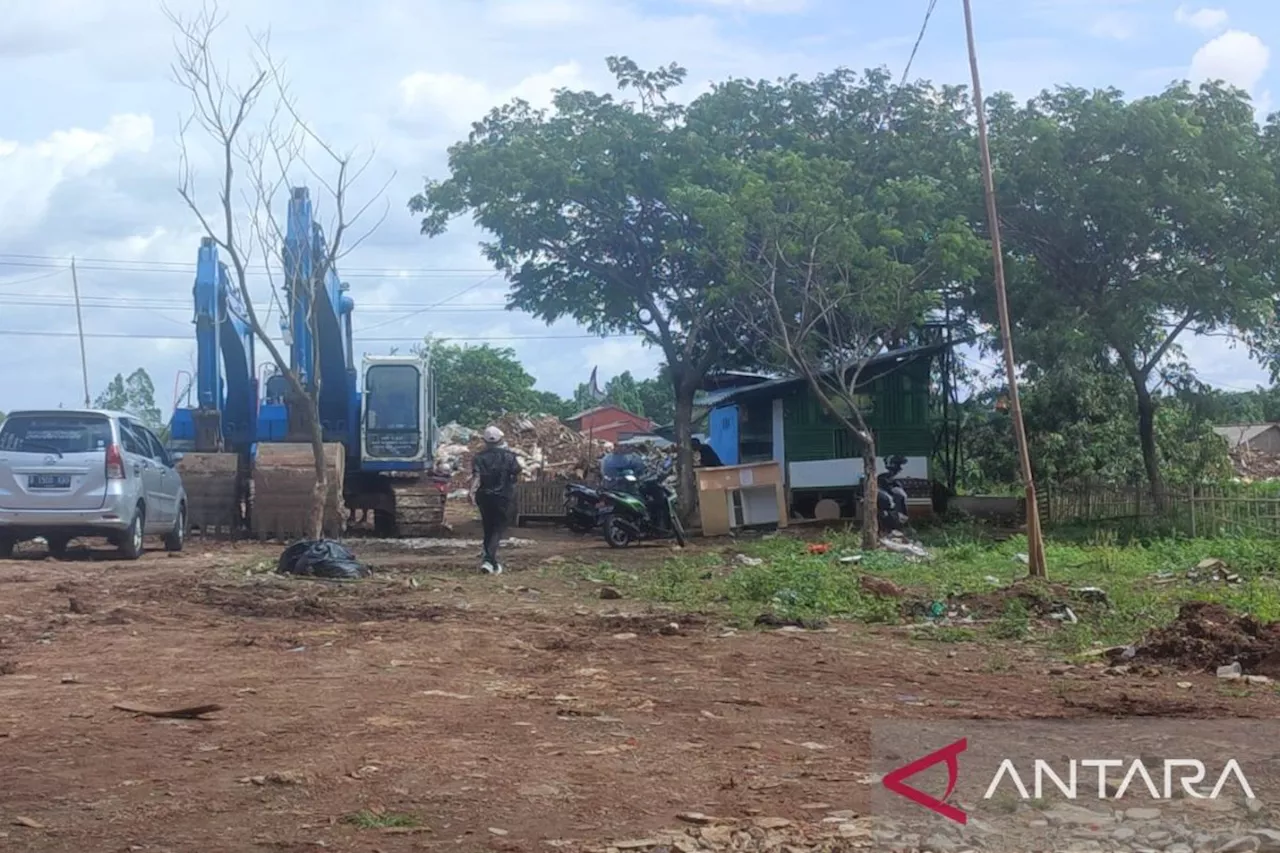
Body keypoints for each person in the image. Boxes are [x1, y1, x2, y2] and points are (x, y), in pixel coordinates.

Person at [469, 425, 521, 574]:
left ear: (485, 441)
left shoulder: (479, 457)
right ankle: (489, 560)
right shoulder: (509, 456)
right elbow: (517, 471)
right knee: (497, 529)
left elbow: (476, 477)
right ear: (500, 440)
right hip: (503, 497)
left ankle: (489, 560)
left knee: (488, 528)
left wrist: (471, 492)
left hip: (484, 496)